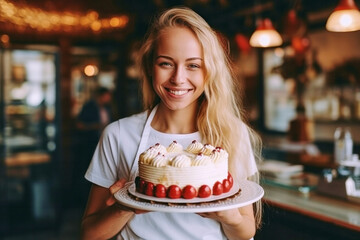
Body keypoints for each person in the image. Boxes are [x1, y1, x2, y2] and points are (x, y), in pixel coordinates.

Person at [81, 7, 262, 240]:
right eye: (166, 63)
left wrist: (230, 217)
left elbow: (245, 232)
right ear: (150, 67)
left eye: (193, 65)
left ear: (210, 72)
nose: (178, 78)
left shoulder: (232, 133)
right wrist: (124, 207)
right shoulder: (118, 134)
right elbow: (89, 234)